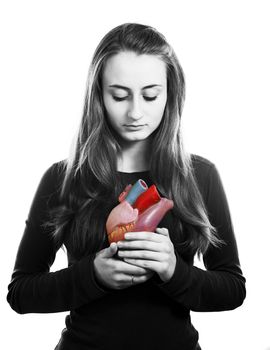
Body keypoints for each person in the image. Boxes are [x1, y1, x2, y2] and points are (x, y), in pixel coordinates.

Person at [7, 23, 246, 350]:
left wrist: (174, 271)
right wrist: (93, 276)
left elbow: (232, 289)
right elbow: (20, 294)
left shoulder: (200, 175)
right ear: (99, 95)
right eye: (119, 95)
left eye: (150, 95)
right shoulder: (62, 178)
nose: (135, 112)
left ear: (170, 94)